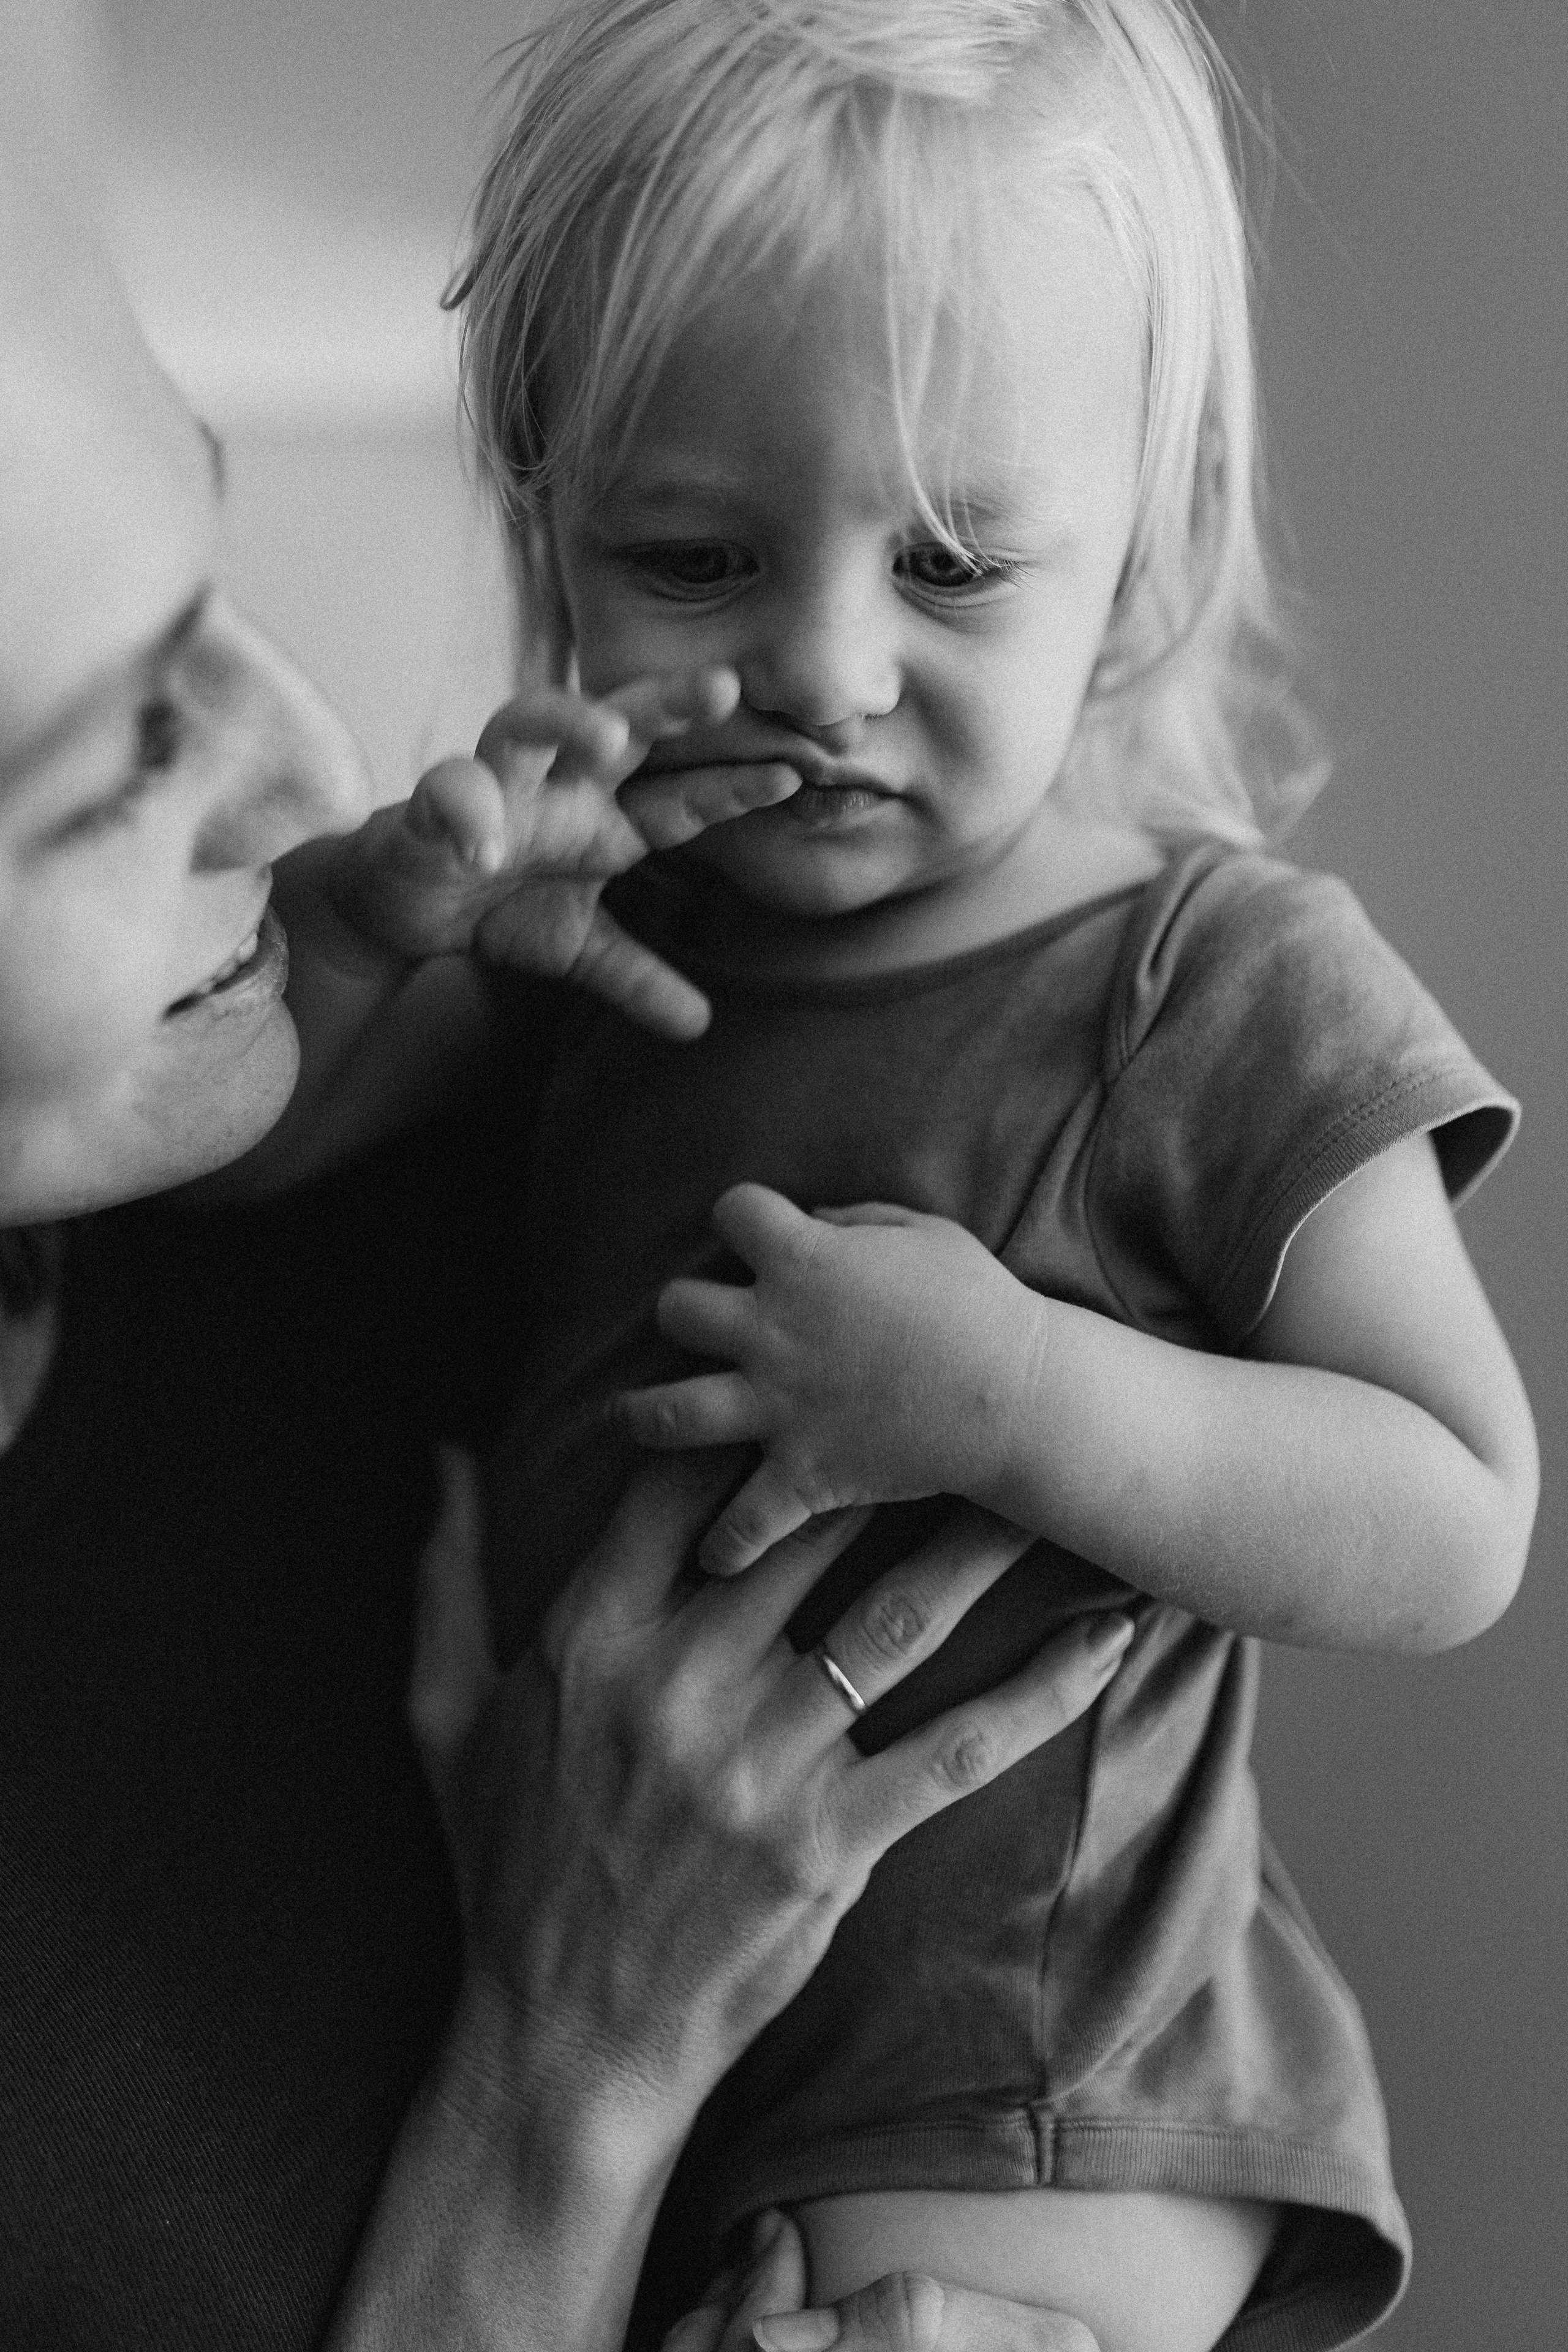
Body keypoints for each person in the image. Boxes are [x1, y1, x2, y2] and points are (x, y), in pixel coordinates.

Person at [251, 2, 1540, 2347]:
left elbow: (1456, 1509)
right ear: (548, 518)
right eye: (697, 552)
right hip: (666, 2115)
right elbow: (261, 1148)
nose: (825, 665)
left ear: (1136, 556)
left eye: (952, 564)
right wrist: (378, 929)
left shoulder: (1207, 976)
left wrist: (1016, 1397)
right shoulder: (612, 937)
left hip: (1037, 2130)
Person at [0, 47, 1131, 2352]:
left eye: (202, 570)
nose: (309, 750)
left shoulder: (308, 1163)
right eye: (100, 760)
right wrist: (569, 2068)